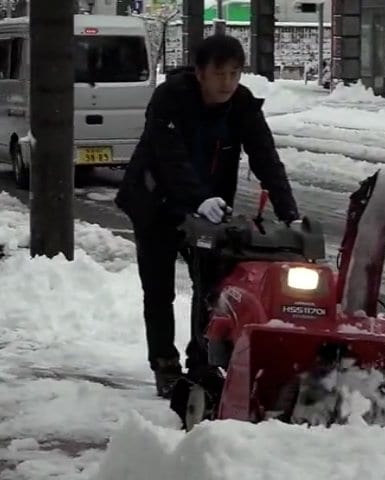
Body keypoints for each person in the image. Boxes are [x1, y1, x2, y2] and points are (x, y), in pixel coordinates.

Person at [115, 34, 300, 398]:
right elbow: (169, 157)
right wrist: (198, 198)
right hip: (156, 202)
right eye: (219, 74)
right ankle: (164, 364)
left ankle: (201, 362)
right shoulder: (169, 99)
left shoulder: (242, 105)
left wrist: (289, 213)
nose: (227, 83)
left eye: (235, 73)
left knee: (210, 287)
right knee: (159, 290)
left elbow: (266, 158)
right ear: (200, 73)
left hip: (208, 213)